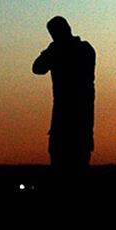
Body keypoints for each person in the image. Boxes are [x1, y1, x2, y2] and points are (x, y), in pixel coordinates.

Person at [33, 16, 96, 175]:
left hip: (69, 120)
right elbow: (37, 68)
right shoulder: (85, 49)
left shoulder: (64, 50)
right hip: (78, 120)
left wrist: (51, 49)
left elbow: (38, 67)